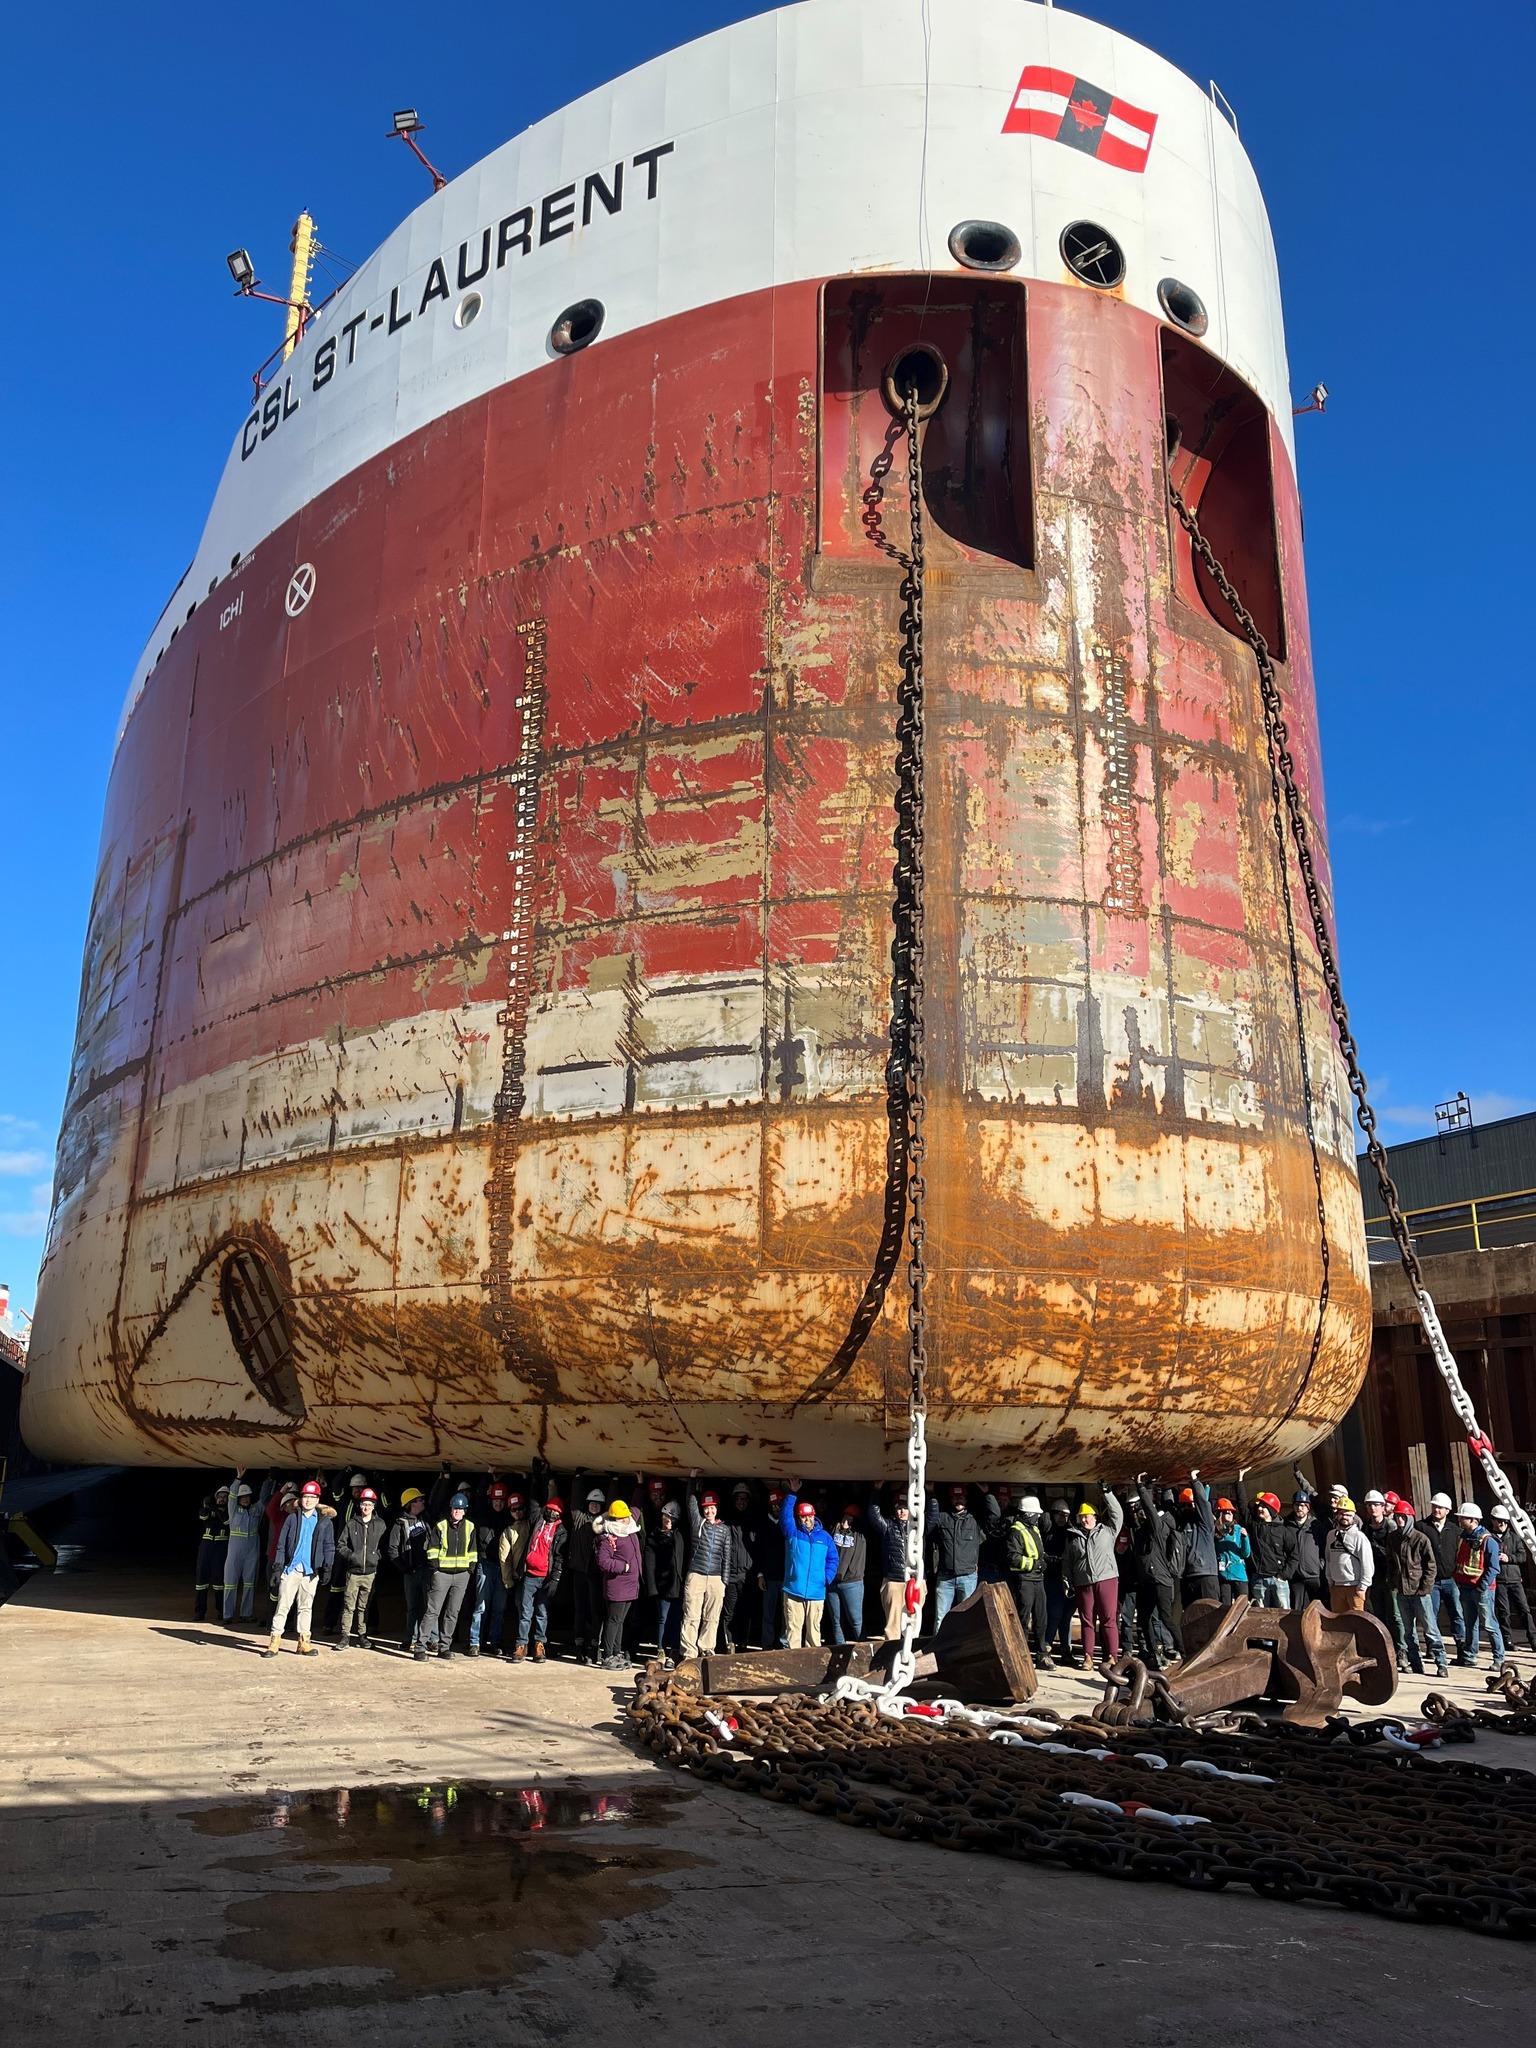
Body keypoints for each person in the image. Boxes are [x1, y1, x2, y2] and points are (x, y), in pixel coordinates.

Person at [264, 1479, 335, 1656]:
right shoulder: (291, 1519)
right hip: (291, 1569)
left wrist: (327, 1567)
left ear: (318, 1500)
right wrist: (278, 1567)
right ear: (301, 1499)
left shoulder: (324, 1522)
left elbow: (329, 1546)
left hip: (310, 1572)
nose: (308, 1500)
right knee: (283, 1606)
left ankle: (304, 1642)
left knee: (306, 1607)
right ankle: (274, 1641)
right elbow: (281, 1544)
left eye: (312, 1497)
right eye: (305, 1496)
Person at [1064, 1486, 1125, 1668]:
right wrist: (1067, 1580)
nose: (1084, 1519)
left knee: (1109, 1619)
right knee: (1087, 1621)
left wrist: (1108, 1493)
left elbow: (1117, 1514)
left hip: (1107, 1579)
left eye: (1087, 1516)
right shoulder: (1074, 1538)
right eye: (1081, 1517)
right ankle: (1088, 1657)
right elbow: (1067, 1561)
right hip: (1083, 1583)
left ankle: (1112, 1657)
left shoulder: (1108, 1531)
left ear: (1095, 1517)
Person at [1386, 1499, 1448, 1678]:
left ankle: (1441, 1663)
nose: (1399, 1521)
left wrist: (1424, 1588)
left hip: (1420, 1593)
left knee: (1430, 1629)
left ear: (1410, 1519)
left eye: (1403, 1518)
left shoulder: (1420, 1539)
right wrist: (1393, 1582)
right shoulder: (1393, 1538)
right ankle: (1415, 1663)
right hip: (1402, 1592)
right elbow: (1390, 1562)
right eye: (1397, 1517)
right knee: (1408, 1631)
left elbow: (1431, 1566)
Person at [927, 1485, 1000, 1625]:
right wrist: (931, 1494)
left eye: (961, 1497)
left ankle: (964, 1647)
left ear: (966, 1499)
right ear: (950, 1499)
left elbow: (994, 1515)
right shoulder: (942, 1518)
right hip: (945, 1577)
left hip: (968, 1577)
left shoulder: (975, 1520)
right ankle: (939, 1647)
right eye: (955, 1497)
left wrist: (987, 1493)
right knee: (940, 1618)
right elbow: (930, 1519)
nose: (958, 1500)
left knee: (967, 1618)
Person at [418, 1492, 478, 1661]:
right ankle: (420, 1646)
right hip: (442, 1575)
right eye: (455, 1508)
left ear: (465, 1511)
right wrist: (436, 1570)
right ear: (450, 1509)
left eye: (460, 1509)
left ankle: (445, 1647)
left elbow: (473, 1551)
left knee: (453, 1613)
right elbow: (432, 1550)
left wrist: (469, 1570)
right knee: (432, 1611)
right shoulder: (441, 1526)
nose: (457, 1511)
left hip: (461, 1576)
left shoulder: (470, 1527)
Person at [1130, 1477, 1183, 1668]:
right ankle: (1153, 1653)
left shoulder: (1158, 1528)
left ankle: (1184, 1651)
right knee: (1144, 1619)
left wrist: (1141, 1487)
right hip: (1148, 1581)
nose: (1140, 1514)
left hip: (1161, 1580)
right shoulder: (1142, 1531)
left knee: (1166, 1617)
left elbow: (1150, 1510)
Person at [780, 1485, 839, 1647]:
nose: (808, 1520)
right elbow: (785, 1516)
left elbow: (833, 1559)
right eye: (804, 1517)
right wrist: (792, 1493)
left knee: (814, 1633)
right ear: (798, 1518)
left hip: (816, 1592)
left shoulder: (825, 1537)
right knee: (793, 1631)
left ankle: (813, 1666)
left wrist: (825, 1578)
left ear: (815, 1516)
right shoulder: (793, 1532)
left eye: (810, 1516)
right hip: (794, 1590)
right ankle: (793, 1666)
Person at [680, 1481, 731, 1660]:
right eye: (706, 1508)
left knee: (712, 1616)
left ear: (717, 1508)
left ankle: (707, 1648)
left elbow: (727, 1557)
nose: (709, 1511)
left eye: (712, 1507)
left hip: (716, 1577)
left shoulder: (724, 1530)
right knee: (691, 1615)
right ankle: (689, 1652)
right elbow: (690, 1501)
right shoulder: (697, 1523)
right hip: (696, 1574)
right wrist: (692, 1478)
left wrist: (724, 1581)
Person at [511, 1497, 566, 1662]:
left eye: (556, 1511)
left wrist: (555, 1579)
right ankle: (521, 1645)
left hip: (545, 1577)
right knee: (525, 1612)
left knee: (541, 1613)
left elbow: (559, 1557)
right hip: (529, 1575)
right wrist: (538, 1478)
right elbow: (534, 1503)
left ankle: (539, 1644)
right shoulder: (538, 1521)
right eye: (550, 1509)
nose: (552, 1513)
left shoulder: (561, 1531)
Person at [332, 1486, 387, 1648]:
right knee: (349, 1606)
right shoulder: (351, 1524)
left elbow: (384, 1545)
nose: (366, 1507)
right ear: (359, 1505)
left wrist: (376, 1557)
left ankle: (362, 1635)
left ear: (374, 1506)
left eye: (369, 1504)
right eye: (364, 1504)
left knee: (364, 1606)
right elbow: (341, 1544)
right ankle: (345, 1637)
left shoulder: (380, 1524)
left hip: (370, 1572)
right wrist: (352, 1556)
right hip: (353, 1573)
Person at [1453, 1503, 1505, 1668]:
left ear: (1473, 1520)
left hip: (1482, 1590)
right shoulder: (1463, 1538)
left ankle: (1499, 1659)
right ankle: (1469, 1655)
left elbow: (1494, 1567)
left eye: (1462, 1518)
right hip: (1466, 1587)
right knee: (1470, 1624)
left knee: (1489, 1624)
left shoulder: (1487, 1540)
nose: (1460, 1520)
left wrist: (1482, 1586)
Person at [594, 1497, 643, 1669]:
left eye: (627, 1516)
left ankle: (616, 1652)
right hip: (617, 1586)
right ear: (614, 1519)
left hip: (630, 1586)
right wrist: (624, 1566)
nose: (627, 1519)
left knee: (620, 1621)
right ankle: (607, 1655)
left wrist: (639, 1484)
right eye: (623, 1517)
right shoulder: (609, 1537)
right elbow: (603, 1562)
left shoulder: (628, 1527)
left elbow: (636, 1508)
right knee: (613, 1620)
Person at [467, 1481, 514, 1657]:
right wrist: (487, 1477)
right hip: (485, 1565)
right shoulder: (482, 1514)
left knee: (499, 1608)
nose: (499, 1503)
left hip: (503, 1568)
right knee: (481, 1606)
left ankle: (495, 1642)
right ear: (491, 1499)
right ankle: (475, 1642)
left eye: (502, 1501)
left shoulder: (509, 1518)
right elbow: (478, 1499)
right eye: (496, 1500)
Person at [1417, 1490, 1466, 1658]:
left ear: (1448, 1510)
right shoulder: (1422, 1527)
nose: (1437, 1510)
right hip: (1431, 1580)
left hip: (1451, 1579)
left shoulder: (1455, 1530)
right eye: (1435, 1506)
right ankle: (1432, 1647)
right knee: (1431, 1616)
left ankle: (1461, 1646)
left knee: (1457, 1614)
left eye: (1441, 1508)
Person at [1006, 1493, 1053, 1668]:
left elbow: (1037, 1552)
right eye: (1036, 1514)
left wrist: (1047, 1560)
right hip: (1025, 1580)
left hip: (1038, 1580)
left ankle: (1041, 1654)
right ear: (1028, 1514)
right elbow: (1013, 1558)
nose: (1038, 1517)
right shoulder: (1016, 1532)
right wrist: (1035, 1564)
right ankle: (1022, 1654)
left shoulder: (1034, 1529)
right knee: (1023, 1618)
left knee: (1041, 1618)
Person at [866, 1491, 920, 1640]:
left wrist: (930, 1492)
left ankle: (913, 1650)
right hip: (894, 1580)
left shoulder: (918, 1527)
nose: (902, 1511)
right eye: (899, 1508)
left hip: (916, 1581)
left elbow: (933, 1519)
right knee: (893, 1624)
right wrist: (876, 1490)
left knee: (914, 1622)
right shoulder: (888, 1527)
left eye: (905, 1507)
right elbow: (874, 1516)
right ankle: (891, 1652)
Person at [1237, 1478, 1296, 1610]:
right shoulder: (1255, 1526)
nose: (1260, 1508)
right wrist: (1239, 1481)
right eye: (1259, 1506)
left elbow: (1294, 1554)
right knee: (1260, 1617)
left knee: (1284, 1616)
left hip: (1278, 1580)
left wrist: (1283, 1575)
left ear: (1272, 1510)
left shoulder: (1284, 1531)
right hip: (1259, 1580)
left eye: (1264, 1506)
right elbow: (1242, 1508)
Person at [223, 1470, 271, 1624]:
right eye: (242, 1497)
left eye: (247, 1496)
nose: (245, 1499)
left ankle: (246, 1613)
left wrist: (269, 1480)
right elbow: (231, 1496)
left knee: (250, 1583)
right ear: (238, 1499)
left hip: (252, 1550)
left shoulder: (256, 1509)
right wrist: (238, 1478)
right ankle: (227, 1615)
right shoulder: (233, 1510)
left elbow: (264, 1498)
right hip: (235, 1552)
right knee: (230, 1582)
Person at [568, 1485, 609, 1665]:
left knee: (595, 1611)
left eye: (598, 1504)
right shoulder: (579, 1518)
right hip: (579, 1571)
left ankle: (594, 1645)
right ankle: (579, 1644)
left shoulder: (603, 1523)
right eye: (592, 1503)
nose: (594, 1506)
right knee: (580, 1609)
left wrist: (614, 1480)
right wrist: (578, 1479)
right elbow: (575, 1503)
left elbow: (611, 1508)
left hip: (595, 1573)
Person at [389, 1486, 433, 1650]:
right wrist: (405, 1568)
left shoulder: (426, 1519)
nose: (423, 1502)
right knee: (413, 1607)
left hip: (426, 1570)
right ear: (411, 1504)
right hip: (411, 1573)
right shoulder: (400, 1524)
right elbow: (392, 1550)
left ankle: (429, 1639)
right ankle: (410, 1639)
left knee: (429, 1606)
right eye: (419, 1500)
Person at [643, 1500, 685, 1665]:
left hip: (677, 1584)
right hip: (662, 1585)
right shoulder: (654, 1536)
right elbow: (650, 1562)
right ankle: (661, 1649)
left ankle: (673, 1652)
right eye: (665, 1518)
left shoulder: (679, 1535)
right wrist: (652, 1586)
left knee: (676, 1619)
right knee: (662, 1618)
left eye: (670, 1519)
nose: (667, 1521)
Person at [1489, 1507, 1536, 1653]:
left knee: (1524, 1610)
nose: (1502, 1524)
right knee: (1504, 1612)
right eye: (1499, 1521)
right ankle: (1507, 1641)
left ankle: (1533, 1640)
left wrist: (1509, 1558)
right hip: (1500, 1580)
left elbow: (1522, 1556)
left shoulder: (1515, 1538)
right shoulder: (1489, 1538)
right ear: (1493, 1521)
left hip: (1515, 1580)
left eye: (1505, 1521)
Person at [825, 1505, 867, 1645]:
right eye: (846, 1516)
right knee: (836, 1622)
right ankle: (840, 1651)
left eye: (851, 1518)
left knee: (856, 1621)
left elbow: (871, 1519)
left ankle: (864, 1651)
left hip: (852, 1582)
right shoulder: (833, 1530)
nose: (847, 1520)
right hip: (832, 1582)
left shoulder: (860, 1534)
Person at [1323, 1495, 1373, 1613]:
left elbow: (1367, 1563)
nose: (1345, 1517)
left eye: (1348, 1514)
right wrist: (1330, 1581)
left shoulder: (1359, 1537)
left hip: (1355, 1587)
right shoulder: (1331, 1535)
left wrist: (1362, 1587)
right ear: (1337, 1515)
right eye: (1342, 1513)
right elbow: (1328, 1559)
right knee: (1339, 1622)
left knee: (1358, 1622)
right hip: (1336, 1587)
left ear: (1353, 1516)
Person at [1176, 1472, 1218, 1610]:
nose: (1187, 1508)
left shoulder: (1205, 1524)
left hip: (1205, 1575)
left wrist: (1194, 1481)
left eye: (1189, 1505)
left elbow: (1203, 1503)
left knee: (1210, 1614)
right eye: (1184, 1505)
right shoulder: (1182, 1525)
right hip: (1188, 1576)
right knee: (1190, 1616)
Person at [752, 1485, 787, 1648]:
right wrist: (759, 1575)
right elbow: (758, 1551)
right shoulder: (763, 1524)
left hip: (787, 1577)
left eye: (779, 1505)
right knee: (768, 1614)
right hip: (769, 1577)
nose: (776, 1508)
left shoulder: (788, 1524)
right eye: (773, 1505)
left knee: (786, 1614)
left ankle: (783, 1644)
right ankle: (767, 1645)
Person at [721, 1485, 755, 1652]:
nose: (741, 1502)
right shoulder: (726, 1522)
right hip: (731, 1574)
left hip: (748, 1575)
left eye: (744, 1499)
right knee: (729, 1612)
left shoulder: (755, 1521)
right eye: (738, 1499)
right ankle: (730, 1644)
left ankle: (743, 1644)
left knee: (746, 1612)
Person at [1043, 1502, 1076, 1662]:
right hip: (1053, 1579)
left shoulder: (1071, 1533)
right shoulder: (1048, 1533)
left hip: (1070, 1579)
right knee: (1054, 1615)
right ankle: (1046, 1648)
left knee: (1067, 1617)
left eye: (1066, 1515)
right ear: (1053, 1514)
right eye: (1060, 1514)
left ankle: (1066, 1650)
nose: (1063, 1518)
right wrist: (1058, 1560)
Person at [194, 1484, 230, 1622]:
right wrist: (205, 1505)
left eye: (224, 1497)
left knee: (219, 1581)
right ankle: (199, 1612)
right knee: (201, 1581)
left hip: (220, 1549)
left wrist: (215, 1508)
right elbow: (202, 1516)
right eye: (219, 1496)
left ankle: (221, 1611)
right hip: (206, 1547)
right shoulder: (209, 1509)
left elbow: (226, 1520)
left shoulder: (228, 1511)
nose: (221, 1499)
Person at [1212, 1493, 1252, 1607]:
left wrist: (1245, 1538)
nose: (1229, 1513)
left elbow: (1246, 1553)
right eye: (1226, 1511)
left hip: (1239, 1575)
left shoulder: (1238, 1529)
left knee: (1241, 1607)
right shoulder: (1214, 1532)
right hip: (1223, 1576)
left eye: (1231, 1511)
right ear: (1219, 1514)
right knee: (1224, 1608)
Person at [1287, 1489, 1324, 1609]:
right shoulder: (1286, 1525)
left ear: (1308, 1508)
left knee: (1317, 1609)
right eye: (1297, 1505)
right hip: (1295, 1575)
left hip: (1313, 1574)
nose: (1300, 1508)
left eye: (1303, 1505)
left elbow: (1324, 1547)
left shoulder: (1316, 1525)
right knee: (1296, 1609)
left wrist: (1320, 1565)